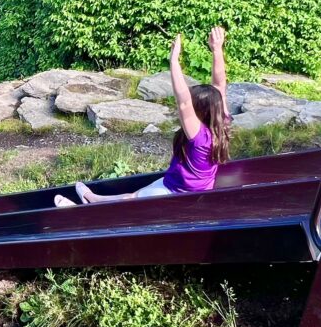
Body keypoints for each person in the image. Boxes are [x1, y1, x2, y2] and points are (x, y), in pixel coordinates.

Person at [54, 26, 232, 207]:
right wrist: (217, 50)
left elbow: (184, 102)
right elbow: (219, 85)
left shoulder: (199, 137)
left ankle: (79, 211)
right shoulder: (221, 123)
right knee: (135, 194)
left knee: (130, 201)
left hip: (180, 194)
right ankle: (92, 199)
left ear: (200, 112)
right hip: (182, 184)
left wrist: (174, 62)